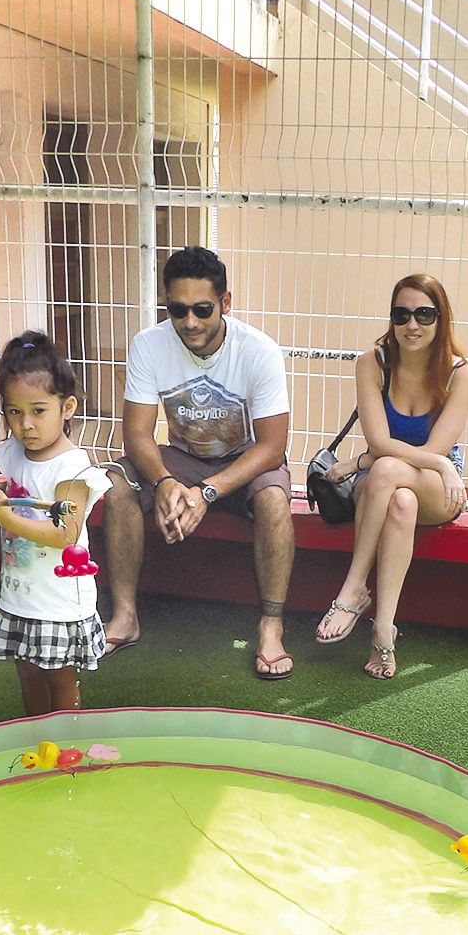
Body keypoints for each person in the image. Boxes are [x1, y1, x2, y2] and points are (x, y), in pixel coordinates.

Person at [99, 246, 294, 679]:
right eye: (178, 309)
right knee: (115, 485)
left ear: (225, 303)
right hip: (182, 459)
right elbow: (136, 434)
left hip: (246, 461)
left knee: (275, 502)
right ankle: (126, 617)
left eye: (202, 309)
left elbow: (273, 447)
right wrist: (166, 482)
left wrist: (207, 492)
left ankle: (271, 626)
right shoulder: (148, 345)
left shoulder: (258, 350)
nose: (189, 322)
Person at [312, 274, 468, 680]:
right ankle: (384, 631)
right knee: (399, 499)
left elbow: (435, 452)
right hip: (389, 488)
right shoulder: (373, 364)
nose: (412, 325)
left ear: (441, 319)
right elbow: (378, 438)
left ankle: (353, 589)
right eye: (401, 315)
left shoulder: (461, 374)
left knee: (386, 469)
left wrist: (367, 461)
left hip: (437, 485)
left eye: (424, 314)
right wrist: (375, 457)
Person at [0, 331, 111, 715]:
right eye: (14, 412)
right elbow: (15, 490)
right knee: (28, 675)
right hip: (21, 595)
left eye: (38, 410)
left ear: (67, 407)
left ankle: (66, 751)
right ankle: (36, 740)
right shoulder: (15, 453)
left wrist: (4, 514)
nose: (25, 424)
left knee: (59, 680)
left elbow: (64, 534)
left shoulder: (72, 469)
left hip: (59, 602)